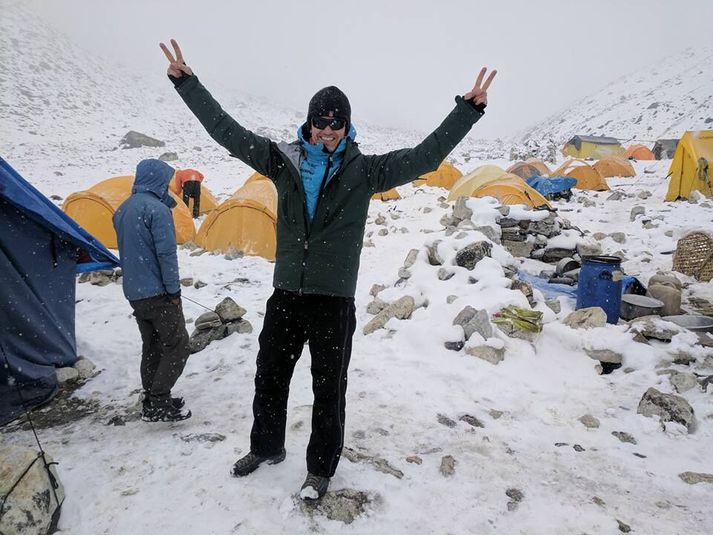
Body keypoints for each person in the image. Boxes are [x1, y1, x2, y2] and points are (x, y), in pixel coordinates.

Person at [160, 38, 495, 499]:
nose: (327, 131)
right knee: (269, 375)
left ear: (347, 125)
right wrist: (189, 85)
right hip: (286, 294)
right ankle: (266, 447)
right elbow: (227, 132)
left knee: (327, 389)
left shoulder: (366, 171)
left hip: (332, 300)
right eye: (321, 122)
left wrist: (466, 111)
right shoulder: (283, 161)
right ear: (310, 122)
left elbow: (425, 157)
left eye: (336, 124)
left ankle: (320, 469)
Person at [113, 158, 192, 423]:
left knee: (153, 345)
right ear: (157, 179)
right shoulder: (157, 210)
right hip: (158, 293)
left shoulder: (123, 209)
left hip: (135, 293)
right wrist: (173, 292)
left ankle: (152, 397)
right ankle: (159, 401)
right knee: (179, 345)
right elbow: (166, 255)